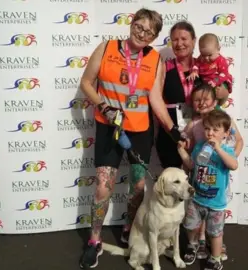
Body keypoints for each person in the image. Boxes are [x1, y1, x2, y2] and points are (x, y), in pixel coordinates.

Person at [78, 8, 183, 269]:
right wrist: (103, 106)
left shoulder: (156, 59)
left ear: (155, 36)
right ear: (131, 23)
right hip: (109, 127)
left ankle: (131, 228)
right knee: (103, 186)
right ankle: (95, 241)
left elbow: (155, 99)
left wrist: (174, 131)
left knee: (138, 187)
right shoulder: (108, 47)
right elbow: (86, 83)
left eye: (150, 31)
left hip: (140, 131)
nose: (143, 33)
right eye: (140, 26)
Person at [155, 21, 231, 170]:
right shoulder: (165, 67)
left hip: (203, 132)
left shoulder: (205, 66)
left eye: (184, 39)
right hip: (171, 134)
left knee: (201, 179)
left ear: (194, 40)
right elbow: (156, 100)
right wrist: (173, 132)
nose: (179, 43)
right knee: (174, 183)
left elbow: (221, 97)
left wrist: (224, 92)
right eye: (175, 39)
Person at [182, 83, 243, 262]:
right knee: (197, 212)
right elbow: (186, 139)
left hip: (217, 172)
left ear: (214, 100)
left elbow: (239, 141)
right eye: (197, 100)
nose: (201, 103)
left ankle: (212, 246)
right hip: (200, 172)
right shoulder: (194, 122)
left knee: (214, 219)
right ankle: (198, 242)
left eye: (205, 99)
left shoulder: (225, 120)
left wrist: (226, 160)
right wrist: (184, 143)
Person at [187, 33, 233, 107]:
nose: (206, 58)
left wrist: (215, 81)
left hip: (219, 82)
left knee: (216, 97)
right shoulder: (201, 58)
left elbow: (224, 74)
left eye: (209, 55)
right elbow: (196, 65)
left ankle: (217, 109)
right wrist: (194, 72)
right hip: (206, 84)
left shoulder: (221, 60)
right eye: (203, 55)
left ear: (218, 49)